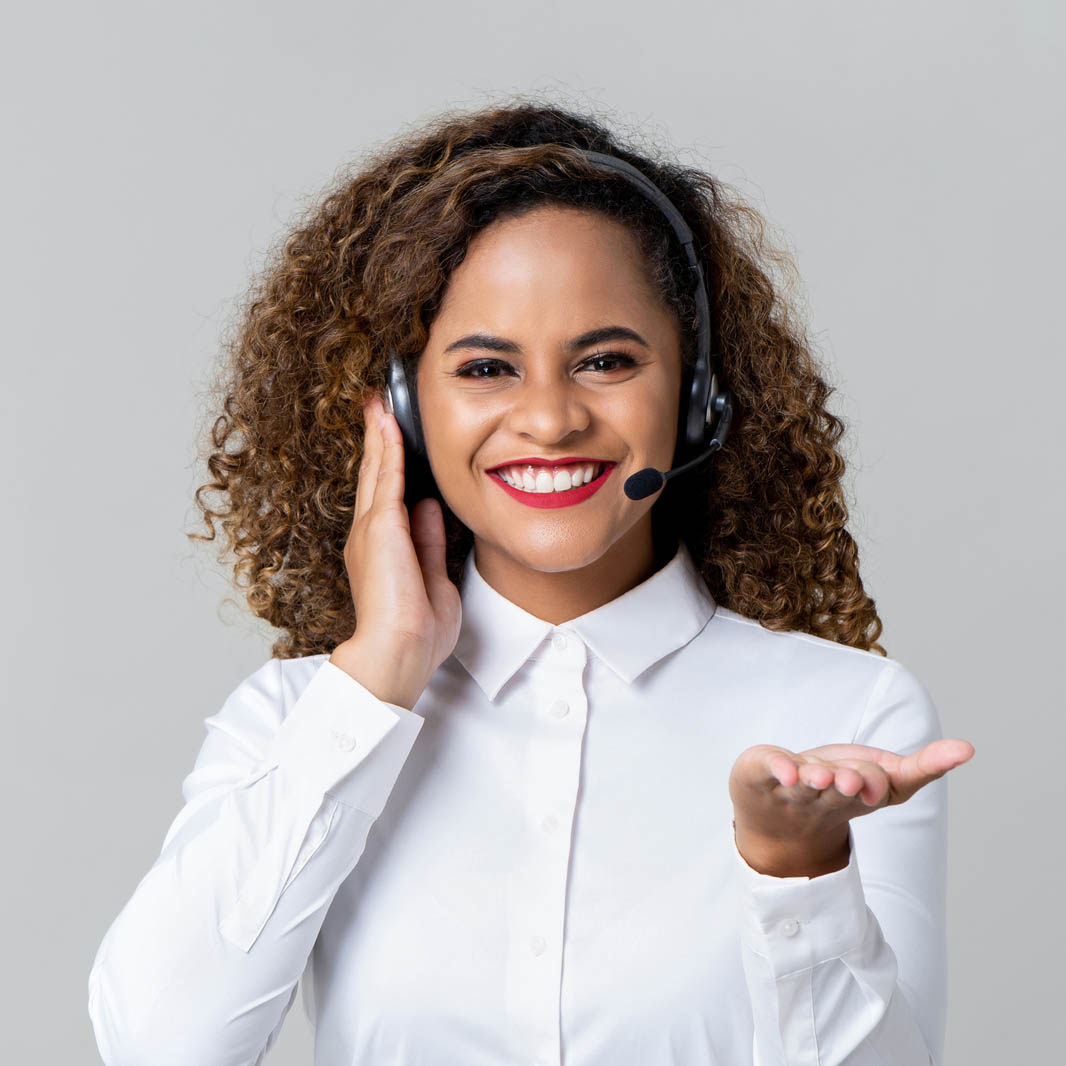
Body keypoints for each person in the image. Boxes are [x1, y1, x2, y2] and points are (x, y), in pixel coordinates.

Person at [87, 98, 974, 1066]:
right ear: (403, 408)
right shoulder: (297, 722)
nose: (549, 421)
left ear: (697, 394)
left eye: (604, 360)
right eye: (485, 367)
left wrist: (797, 868)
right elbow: (160, 1047)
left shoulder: (845, 713)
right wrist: (375, 677)